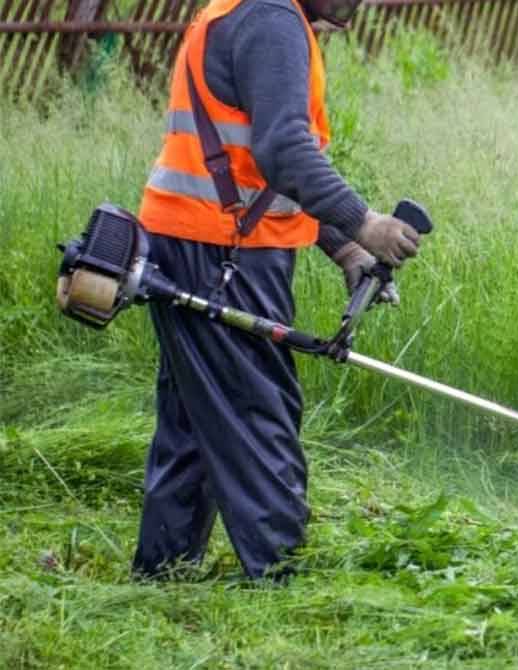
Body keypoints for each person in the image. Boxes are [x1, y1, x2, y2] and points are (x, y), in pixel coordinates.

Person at [132, 0, 419, 580]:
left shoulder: (247, 10)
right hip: (223, 251)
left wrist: (345, 248)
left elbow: (261, 173)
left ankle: (163, 573)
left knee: (194, 417)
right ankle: (282, 574)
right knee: (257, 410)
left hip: (196, 241)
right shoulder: (270, 20)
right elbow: (284, 149)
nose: (354, 10)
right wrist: (364, 222)